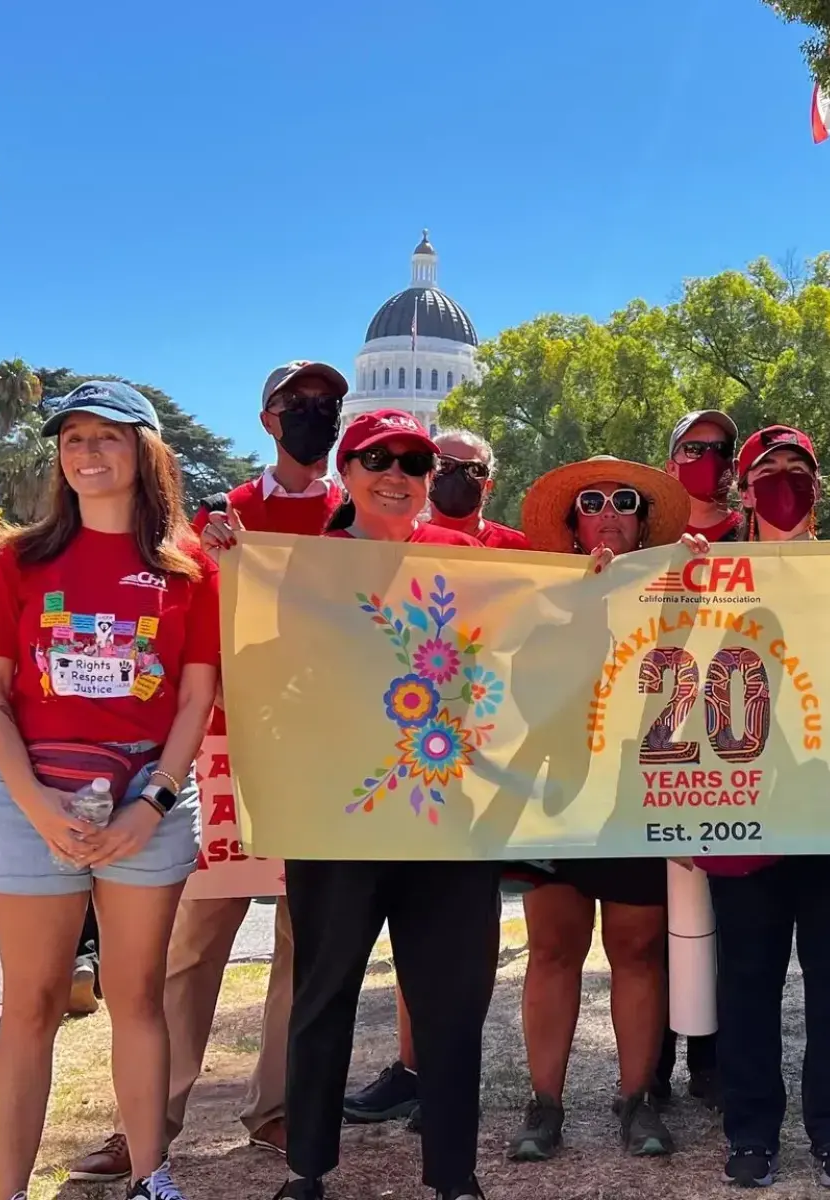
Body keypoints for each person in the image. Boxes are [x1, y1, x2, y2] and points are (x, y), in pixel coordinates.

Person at [67, 360, 346, 1183]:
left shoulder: (353, 513)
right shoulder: (219, 520)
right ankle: (149, 1119)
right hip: (226, 747)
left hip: (326, 751)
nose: (315, 417)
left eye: (328, 404)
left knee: (307, 940)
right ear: (267, 420)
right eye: (299, 405)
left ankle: (279, 1110)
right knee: (193, 944)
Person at [228, 409, 500, 1200]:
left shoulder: (469, 556)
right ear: (345, 473)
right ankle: (307, 1169)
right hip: (339, 815)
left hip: (446, 817)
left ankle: (455, 1176)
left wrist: (602, 580)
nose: (397, 473)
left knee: (452, 1008)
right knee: (324, 996)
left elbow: (544, 628)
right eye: (375, 457)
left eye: (414, 460)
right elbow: (264, 660)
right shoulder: (301, 564)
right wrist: (223, 556)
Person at [0, 381, 219, 1200]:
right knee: (31, 1003)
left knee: (134, 994)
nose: (86, 454)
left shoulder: (188, 567)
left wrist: (153, 801)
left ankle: (153, 1177)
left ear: (146, 454)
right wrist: (36, 803)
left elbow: (194, 698)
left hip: (146, 795)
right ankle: (8, 1189)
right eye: (72, 439)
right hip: (30, 791)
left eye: (107, 438)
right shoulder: (19, 560)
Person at [697, 424, 830, 1191]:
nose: (782, 480)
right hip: (744, 809)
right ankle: (750, 1132)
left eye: (797, 468)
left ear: (820, 484)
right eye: (765, 469)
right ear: (742, 491)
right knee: (747, 980)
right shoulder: (701, 573)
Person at [507, 456, 699, 1162]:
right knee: (554, 948)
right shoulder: (531, 595)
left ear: (643, 522)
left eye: (626, 500)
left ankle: (637, 1099)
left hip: (635, 790)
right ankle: (544, 1104)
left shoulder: (673, 586)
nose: (611, 509)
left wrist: (699, 582)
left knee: (638, 951)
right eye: (593, 500)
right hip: (554, 792)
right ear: (572, 520)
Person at [345, 426, 521, 1131]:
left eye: (466, 468)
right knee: (404, 939)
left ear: (491, 478)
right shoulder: (350, 546)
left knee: (466, 939)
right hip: (387, 771)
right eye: (437, 464)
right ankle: (415, 1070)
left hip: (473, 776)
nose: (449, 477)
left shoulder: (510, 552)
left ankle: (448, 1078)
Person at [654, 409, 736, 1105]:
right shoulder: (643, 539)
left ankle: (714, 1060)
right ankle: (651, 1065)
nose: (707, 459)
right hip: (651, 743)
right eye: (692, 449)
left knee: (724, 914)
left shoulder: (750, 539)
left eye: (719, 450)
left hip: (732, 744)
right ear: (670, 459)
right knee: (655, 921)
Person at [421, 427, 529, 549]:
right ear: (427, 476)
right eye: (444, 464)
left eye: (474, 470)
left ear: (487, 487)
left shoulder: (521, 548)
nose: (458, 477)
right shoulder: (405, 544)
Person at [666, 409, 743, 543]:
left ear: (734, 467)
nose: (710, 459)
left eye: (721, 449)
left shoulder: (751, 535)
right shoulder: (652, 538)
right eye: (694, 448)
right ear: (671, 468)